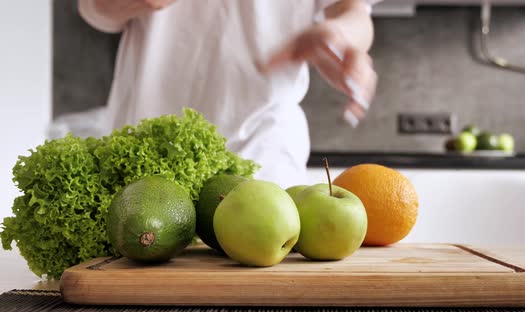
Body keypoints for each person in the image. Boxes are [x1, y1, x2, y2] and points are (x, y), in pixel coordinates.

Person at [78, 0, 379, 188]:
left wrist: (340, 34)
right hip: (145, 150)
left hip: (263, 153)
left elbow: (352, 9)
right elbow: (94, 10)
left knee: (262, 283)